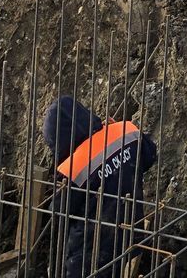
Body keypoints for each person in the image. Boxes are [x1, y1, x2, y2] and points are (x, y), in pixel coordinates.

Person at [44, 96, 157, 278]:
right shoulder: (125, 130)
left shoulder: (74, 167)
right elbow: (149, 155)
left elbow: (59, 211)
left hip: (90, 253)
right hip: (130, 232)